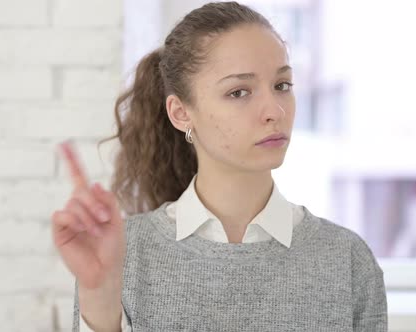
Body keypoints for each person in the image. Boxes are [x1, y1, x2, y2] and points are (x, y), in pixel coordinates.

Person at [52, 2, 388, 331]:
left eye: (282, 86)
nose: (275, 111)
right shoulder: (125, 254)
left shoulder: (347, 260)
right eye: (239, 92)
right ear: (181, 113)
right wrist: (99, 294)